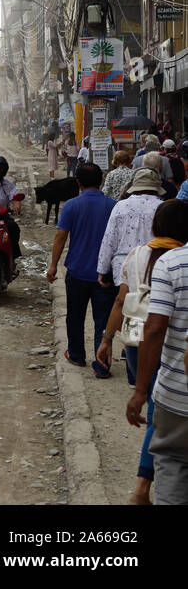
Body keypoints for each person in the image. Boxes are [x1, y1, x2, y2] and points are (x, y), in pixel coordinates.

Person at [98, 200, 188, 504]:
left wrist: (107, 338)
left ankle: (142, 488)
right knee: (157, 416)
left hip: (141, 347)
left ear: (156, 226)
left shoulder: (138, 255)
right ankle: (142, 487)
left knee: (157, 415)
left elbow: (122, 302)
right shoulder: (178, 259)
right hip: (170, 354)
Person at [127, 216, 188, 505]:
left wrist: (140, 391)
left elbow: (154, 328)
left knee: (174, 466)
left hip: (178, 396)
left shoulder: (173, 262)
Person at [48, 162, 118, 373]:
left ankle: (77, 355)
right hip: (105, 273)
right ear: (102, 181)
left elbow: (61, 236)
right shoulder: (113, 206)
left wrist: (53, 266)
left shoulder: (71, 205)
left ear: (78, 183)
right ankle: (102, 365)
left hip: (77, 271)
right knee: (103, 321)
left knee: (75, 316)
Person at [94, 167, 165, 375]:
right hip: (155, 266)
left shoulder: (120, 206)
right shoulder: (162, 208)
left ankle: (132, 354)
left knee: (131, 310)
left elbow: (109, 240)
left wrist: (102, 269)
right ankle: (150, 358)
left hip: (124, 268)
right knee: (151, 311)